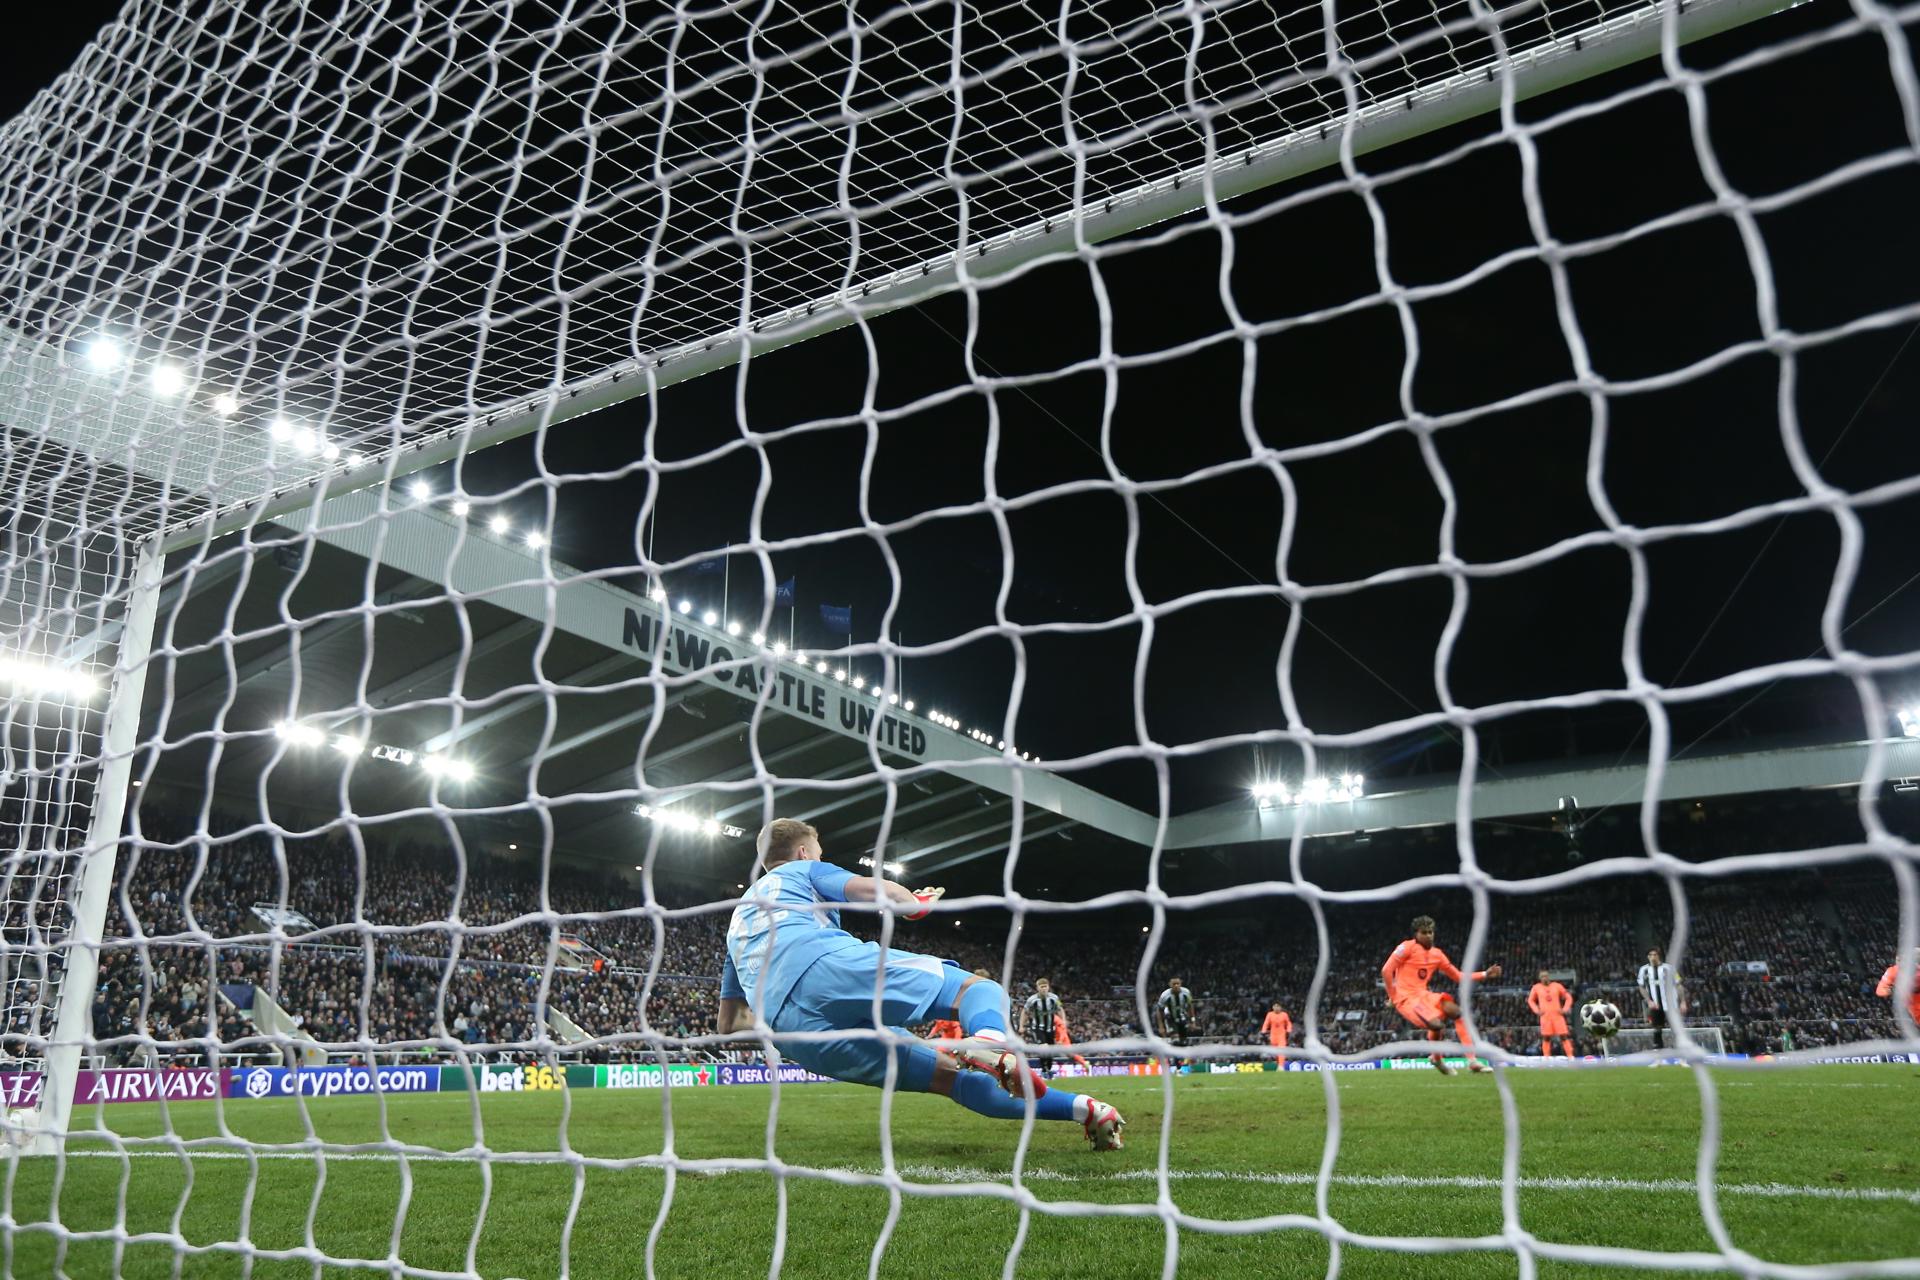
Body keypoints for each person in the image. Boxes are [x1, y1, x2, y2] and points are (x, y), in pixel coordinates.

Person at [716, 818, 1124, 1150]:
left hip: (793, 1033)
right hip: (824, 965)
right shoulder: (803, 869)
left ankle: (1089, 1110)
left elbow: (730, 1024)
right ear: (803, 852)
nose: (822, 858)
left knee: (952, 1079)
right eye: (820, 852)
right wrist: (913, 903)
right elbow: (874, 890)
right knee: (979, 991)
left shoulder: (736, 924)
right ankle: (991, 1038)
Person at [1381, 915, 1502, 1076]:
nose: (1429, 935)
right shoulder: (1406, 947)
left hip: (1425, 995)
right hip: (1407, 1000)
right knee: (1437, 1025)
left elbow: (1458, 976)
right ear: (1416, 934)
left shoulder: (1437, 954)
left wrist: (1485, 974)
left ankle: (1472, 1061)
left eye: (1431, 932)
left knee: (1457, 1012)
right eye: (1424, 932)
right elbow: (1386, 971)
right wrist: (1393, 996)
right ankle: (1437, 1058)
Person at [1636, 948, 1682, 1050]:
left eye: (1655, 954)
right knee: (1657, 1030)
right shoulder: (1643, 970)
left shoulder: (1669, 968)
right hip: (1655, 1006)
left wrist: (1682, 1002)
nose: (1653, 957)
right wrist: (1649, 1001)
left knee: (1676, 1029)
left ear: (1658, 956)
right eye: (1650, 955)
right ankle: (1659, 1056)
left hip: (1671, 1005)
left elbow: (1678, 985)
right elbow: (1641, 987)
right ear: (1648, 957)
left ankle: (1681, 1054)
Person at [1527, 969, 1574, 1059]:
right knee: (1546, 1038)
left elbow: (1568, 997)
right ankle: (1546, 1058)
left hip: (1558, 1016)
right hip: (1545, 1017)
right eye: (1542, 976)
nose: (1544, 978)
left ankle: (1570, 1056)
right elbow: (1530, 1000)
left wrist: (1565, 1009)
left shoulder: (1557, 986)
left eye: (1546, 976)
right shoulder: (1536, 987)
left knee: (1563, 1036)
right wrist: (1536, 1010)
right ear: (1539, 978)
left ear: (1548, 977)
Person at [1875, 948, 1920, 1027]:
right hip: (1912, 1001)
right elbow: (1879, 990)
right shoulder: (1893, 971)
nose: (1899, 963)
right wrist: (1890, 991)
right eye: (1898, 960)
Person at [1155, 977, 1194, 1046]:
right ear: (1170, 985)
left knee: (1183, 1042)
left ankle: (1182, 1055)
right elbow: (1159, 1010)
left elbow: (1190, 1007)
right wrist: (1161, 1026)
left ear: (1180, 984)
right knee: (1175, 1040)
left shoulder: (1186, 993)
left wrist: (1193, 1021)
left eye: (1177, 984)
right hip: (1170, 1018)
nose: (1176, 985)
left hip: (1182, 1018)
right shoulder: (1165, 995)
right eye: (1174, 984)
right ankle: (1173, 1054)